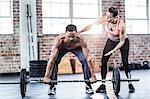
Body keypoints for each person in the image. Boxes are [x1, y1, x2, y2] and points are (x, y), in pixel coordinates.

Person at [78, 7, 135, 93]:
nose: (107, 18)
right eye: (106, 16)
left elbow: (122, 41)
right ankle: (103, 84)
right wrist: (80, 31)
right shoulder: (106, 19)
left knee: (125, 62)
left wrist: (113, 51)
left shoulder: (121, 25)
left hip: (122, 42)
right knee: (103, 61)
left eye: (109, 17)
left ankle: (130, 83)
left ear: (116, 17)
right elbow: (92, 25)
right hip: (110, 41)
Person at [43, 24, 97, 95]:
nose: (71, 39)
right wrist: (46, 76)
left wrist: (93, 76)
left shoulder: (81, 40)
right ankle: (52, 86)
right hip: (62, 48)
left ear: (77, 33)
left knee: (85, 60)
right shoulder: (59, 40)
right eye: (69, 36)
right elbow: (51, 60)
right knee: (55, 60)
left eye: (73, 36)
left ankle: (88, 85)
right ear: (65, 34)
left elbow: (89, 59)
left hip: (77, 48)